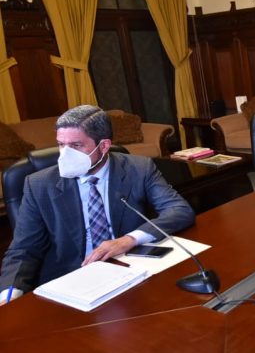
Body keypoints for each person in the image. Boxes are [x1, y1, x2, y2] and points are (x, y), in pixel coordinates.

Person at [0, 105, 195, 304]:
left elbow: (179, 210)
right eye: (61, 144)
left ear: (103, 146)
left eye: (76, 145)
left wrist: (129, 239)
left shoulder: (139, 168)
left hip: (128, 271)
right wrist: (8, 295)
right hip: (69, 283)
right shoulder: (39, 184)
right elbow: (23, 249)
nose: (65, 154)